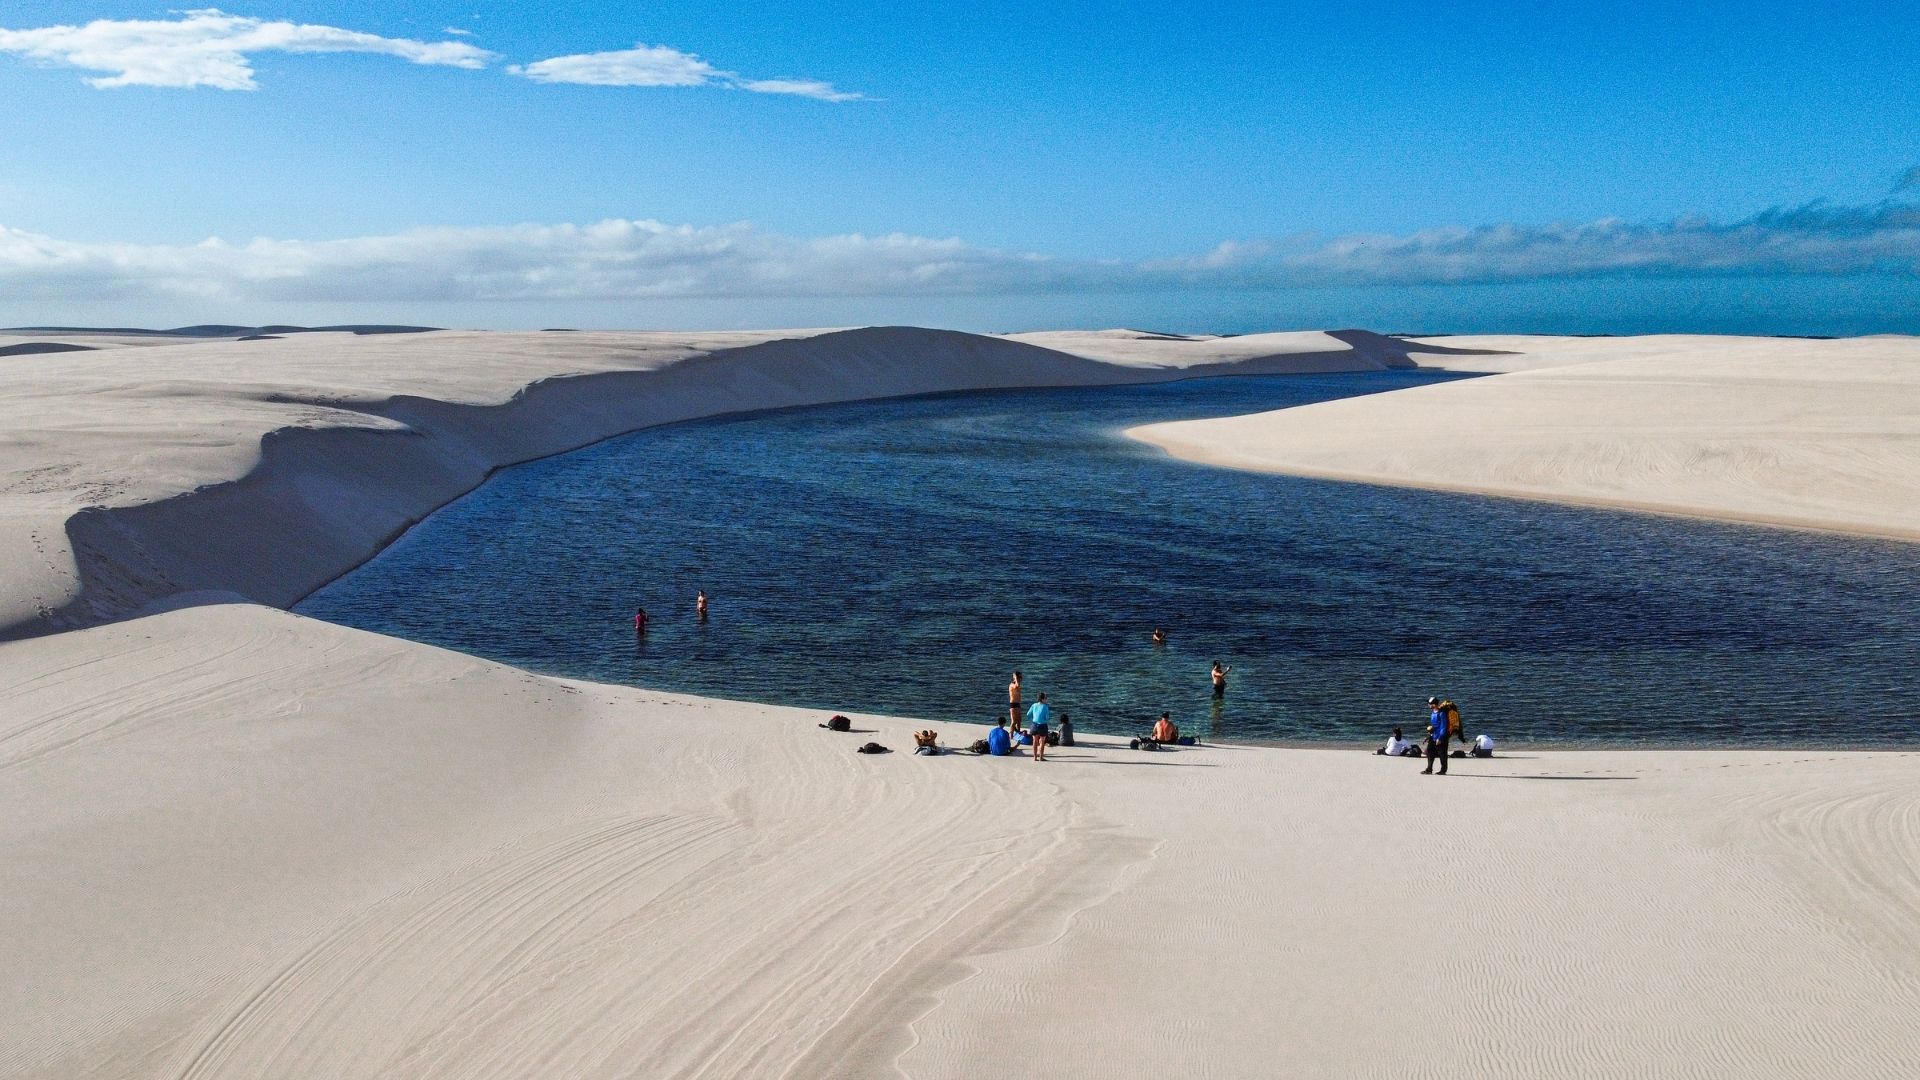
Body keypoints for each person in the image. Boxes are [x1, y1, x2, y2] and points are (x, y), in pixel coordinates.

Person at [1422, 697, 1449, 775]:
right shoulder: (1433, 712)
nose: (1428, 705)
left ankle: (1443, 770)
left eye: (1429, 704)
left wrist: (1440, 738)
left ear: (1433, 704)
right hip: (1433, 736)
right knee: (1430, 752)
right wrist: (1428, 736)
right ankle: (1429, 769)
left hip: (1441, 737)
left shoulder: (1441, 713)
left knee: (1442, 754)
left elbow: (1443, 727)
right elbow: (1435, 726)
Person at [1025, 693, 1052, 761]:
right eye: (1045, 698)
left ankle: (1034, 757)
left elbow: (1028, 714)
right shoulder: (1045, 706)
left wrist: (1034, 718)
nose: (1046, 699)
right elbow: (1047, 718)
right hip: (1042, 725)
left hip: (1034, 725)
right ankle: (1041, 757)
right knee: (1042, 742)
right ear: (1042, 699)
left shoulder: (1034, 705)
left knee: (1034, 741)